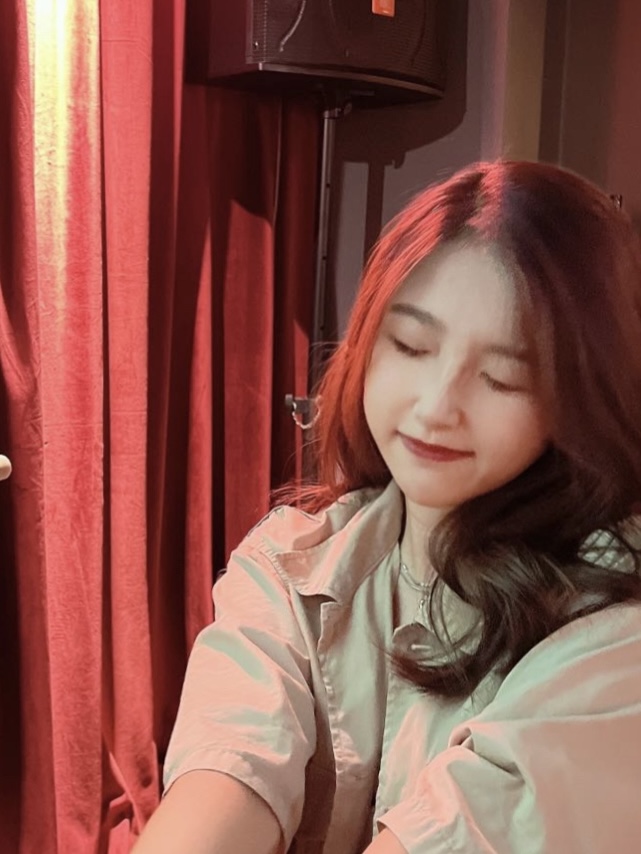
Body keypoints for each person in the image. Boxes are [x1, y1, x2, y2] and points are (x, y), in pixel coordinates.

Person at [134, 160, 641, 854]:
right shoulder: (293, 564)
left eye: (502, 377)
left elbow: (470, 825)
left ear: (579, 401)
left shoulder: (613, 629)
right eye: (410, 345)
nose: (435, 408)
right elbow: (223, 780)